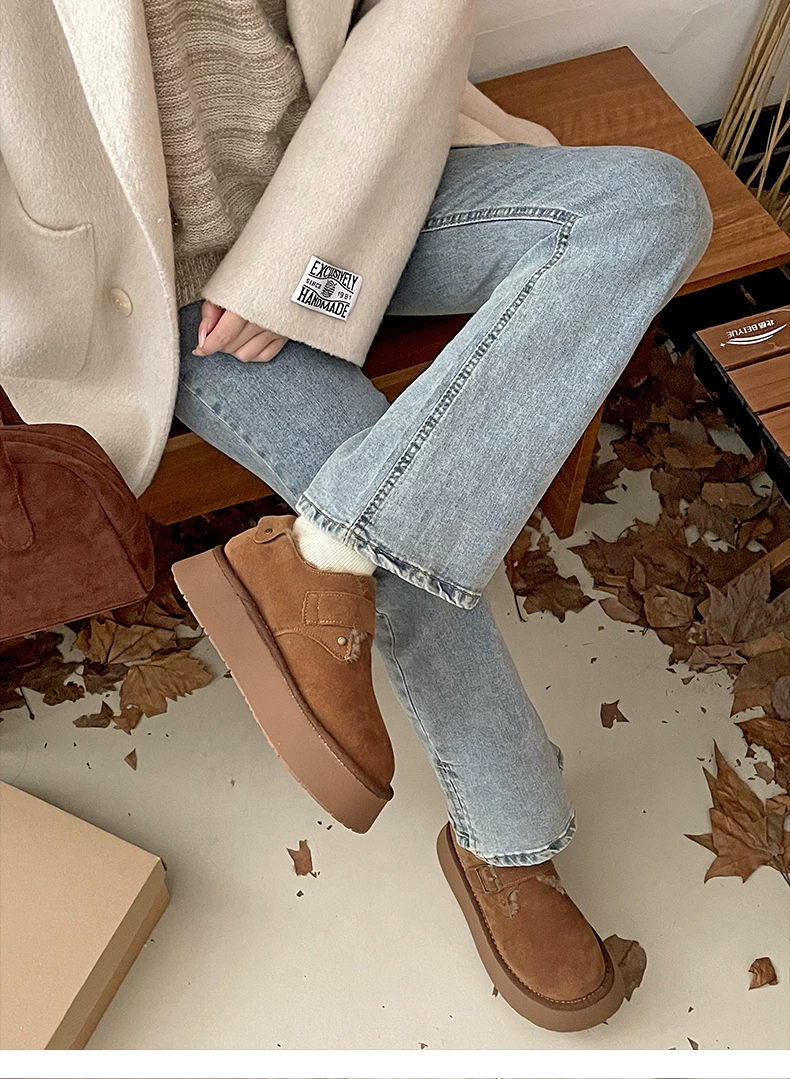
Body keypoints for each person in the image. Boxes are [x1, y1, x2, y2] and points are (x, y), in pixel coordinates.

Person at [1, 0, 713, 1031]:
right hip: (158, 286)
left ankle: (324, 551)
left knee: (651, 205)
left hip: (355, 192)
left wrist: (295, 257)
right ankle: (507, 840)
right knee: (387, 504)